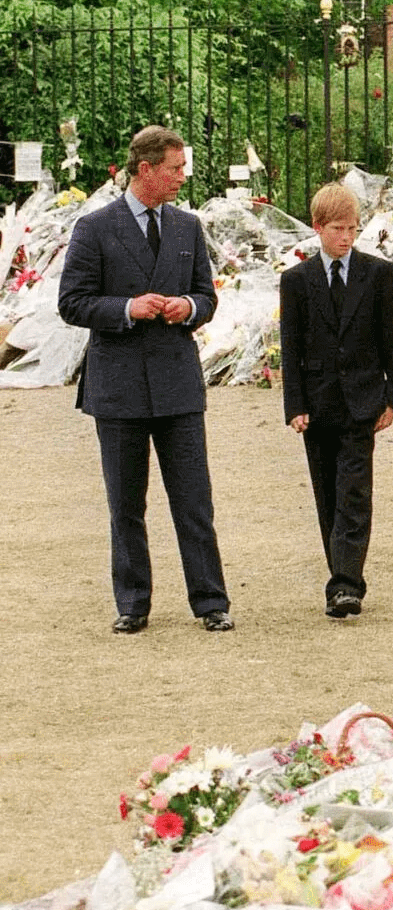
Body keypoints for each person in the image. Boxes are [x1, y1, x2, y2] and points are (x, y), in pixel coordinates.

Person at [56, 126, 233, 633]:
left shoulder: (187, 227)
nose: (182, 178)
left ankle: (211, 602)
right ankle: (133, 603)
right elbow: (71, 303)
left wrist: (191, 306)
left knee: (194, 501)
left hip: (177, 383)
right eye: (175, 169)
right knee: (126, 505)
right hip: (118, 387)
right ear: (145, 170)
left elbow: (208, 296)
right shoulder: (94, 229)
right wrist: (127, 308)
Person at [279, 183, 393, 619]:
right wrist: (294, 405)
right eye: (337, 229)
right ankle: (341, 576)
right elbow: (290, 347)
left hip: (362, 403)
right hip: (316, 405)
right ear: (317, 228)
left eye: (353, 228)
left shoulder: (377, 273)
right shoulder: (296, 281)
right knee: (327, 495)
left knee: (354, 493)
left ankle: (347, 584)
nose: (347, 237)